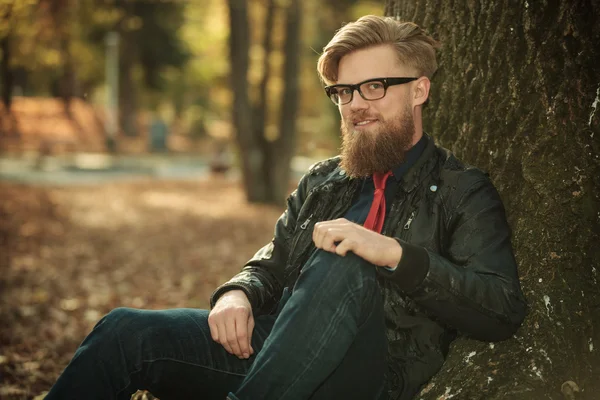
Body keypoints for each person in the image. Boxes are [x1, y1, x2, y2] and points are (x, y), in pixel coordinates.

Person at [46, 15, 527, 400]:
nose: (356, 104)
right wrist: (238, 293)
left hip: (370, 376)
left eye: (374, 87)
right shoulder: (325, 180)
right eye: (344, 92)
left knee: (345, 267)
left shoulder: (461, 189)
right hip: (276, 354)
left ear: (418, 90)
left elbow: (501, 310)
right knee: (125, 332)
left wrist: (393, 254)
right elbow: (272, 261)